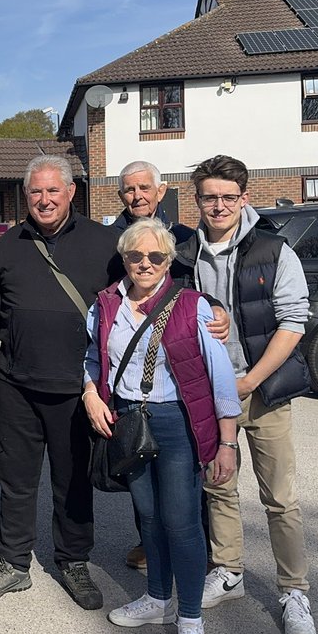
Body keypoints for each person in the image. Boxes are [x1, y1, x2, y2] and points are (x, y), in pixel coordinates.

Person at [0, 155, 120, 609]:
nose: (45, 200)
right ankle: (14, 564)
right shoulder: (9, 244)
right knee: (16, 481)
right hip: (17, 385)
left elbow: (137, 296)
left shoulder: (104, 243)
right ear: (26, 195)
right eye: (36, 192)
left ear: (71, 192)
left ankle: (73, 561)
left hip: (77, 388)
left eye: (53, 191)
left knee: (72, 482)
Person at [82, 218, 241, 634]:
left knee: (182, 522)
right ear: (124, 259)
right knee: (148, 517)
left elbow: (221, 376)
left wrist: (227, 442)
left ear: (169, 261)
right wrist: (90, 393)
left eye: (156, 256)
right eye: (136, 256)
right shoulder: (105, 305)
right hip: (128, 420)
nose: (145, 264)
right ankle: (157, 598)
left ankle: (189, 617)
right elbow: (92, 357)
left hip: (176, 422)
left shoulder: (194, 306)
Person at [173, 154, 318, 634]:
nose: (219, 206)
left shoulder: (274, 250)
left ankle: (294, 591)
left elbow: (293, 323)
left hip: (263, 390)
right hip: (209, 394)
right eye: (209, 197)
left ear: (244, 198)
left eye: (228, 197)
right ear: (197, 200)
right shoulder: (183, 254)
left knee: (280, 497)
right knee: (219, 487)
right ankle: (229, 570)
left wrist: (250, 380)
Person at [114, 160, 197, 571]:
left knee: (185, 482)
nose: (137, 196)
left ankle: (197, 550)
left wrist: (216, 310)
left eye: (144, 188)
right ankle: (148, 543)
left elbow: (200, 290)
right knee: (139, 458)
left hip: (178, 361)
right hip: (135, 371)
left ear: (160, 191)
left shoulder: (185, 238)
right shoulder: (112, 240)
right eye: (129, 189)